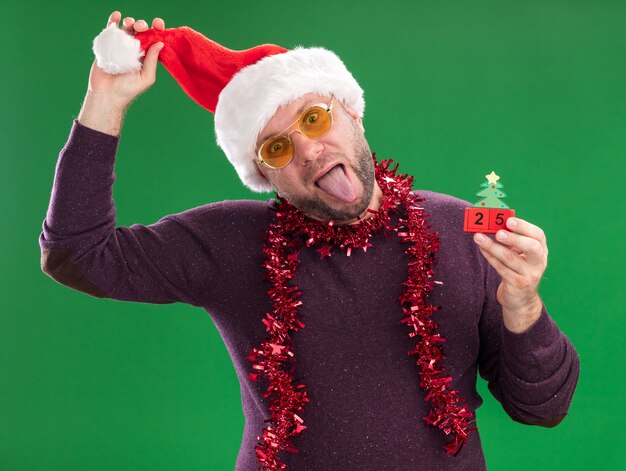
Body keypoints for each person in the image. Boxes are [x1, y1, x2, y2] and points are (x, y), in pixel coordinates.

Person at [40, 11, 580, 471]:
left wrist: (524, 305)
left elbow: (542, 408)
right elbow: (75, 255)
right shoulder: (229, 240)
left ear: (354, 112)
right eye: (277, 148)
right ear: (264, 176)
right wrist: (104, 101)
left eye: (316, 118)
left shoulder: (462, 230)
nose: (310, 151)